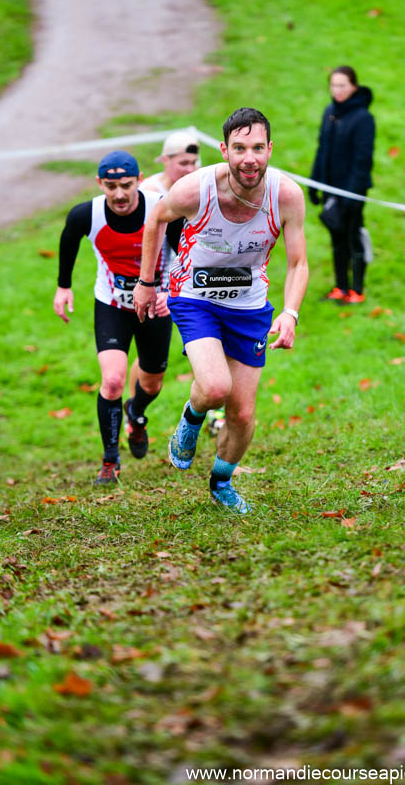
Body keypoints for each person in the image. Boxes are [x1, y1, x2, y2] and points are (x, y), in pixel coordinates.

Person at [133, 107, 309, 514]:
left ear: (270, 149)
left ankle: (221, 483)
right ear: (224, 150)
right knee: (214, 387)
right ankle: (192, 417)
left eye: (258, 148)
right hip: (196, 297)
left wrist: (290, 312)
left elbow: (298, 262)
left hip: (249, 306)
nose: (250, 158)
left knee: (242, 414)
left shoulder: (286, 195)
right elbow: (156, 219)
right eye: (240, 148)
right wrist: (146, 282)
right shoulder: (196, 189)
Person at [53, 150, 172, 485]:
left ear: (139, 180)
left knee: (152, 382)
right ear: (99, 183)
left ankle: (136, 412)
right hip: (112, 304)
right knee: (113, 380)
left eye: (126, 185)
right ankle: (110, 460)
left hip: (155, 304)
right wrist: (63, 286)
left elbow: (186, 250)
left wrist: (172, 292)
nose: (119, 194)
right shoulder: (86, 214)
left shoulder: (163, 208)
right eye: (111, 186)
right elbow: (68, 240)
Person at [126, 131, 200, 397]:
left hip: (192, 279)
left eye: (193, 163)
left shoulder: (199, 188)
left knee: (205, 341)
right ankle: (133, 408)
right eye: (183, 163)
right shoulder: (149, 192)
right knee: (149, 355)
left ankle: (213, 409)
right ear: (165, 160)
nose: (189, 169)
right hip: (156, 282)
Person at [309, 65, 375, 304]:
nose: (337, 90)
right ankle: (340, 287)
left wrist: (351, 195)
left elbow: (362, 161)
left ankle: (357, 290)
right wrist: (314, 183)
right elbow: (322, 150)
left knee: (353, 238)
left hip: (352, 192)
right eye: (333, 85)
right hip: (330, 189)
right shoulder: (330, 112)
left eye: (342, 85)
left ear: (354, 87)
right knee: (337, 239)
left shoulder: (364, 118)